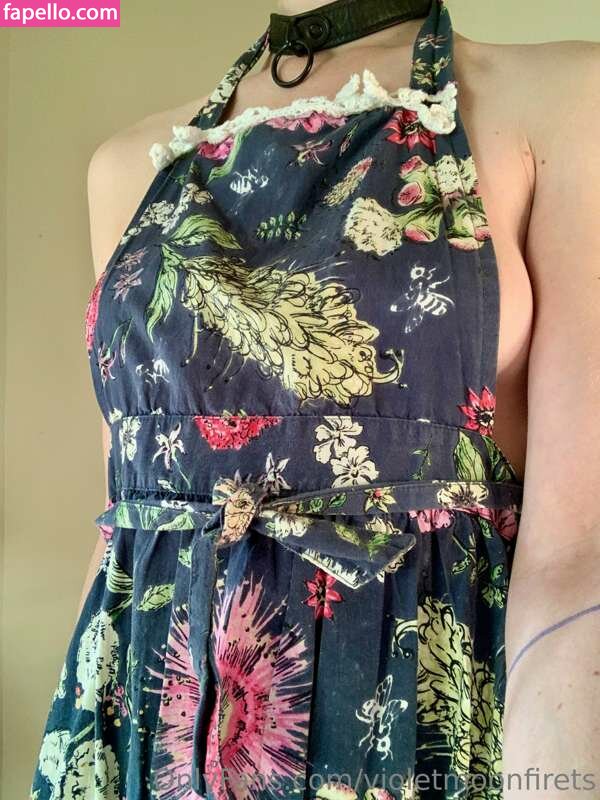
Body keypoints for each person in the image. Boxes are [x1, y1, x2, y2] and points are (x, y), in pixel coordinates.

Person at [30, 0, 600, 798]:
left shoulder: (565, 99)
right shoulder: (127, 165)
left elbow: (578, 554)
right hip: (146, 716)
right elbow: (125, 523)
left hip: (403, 722)